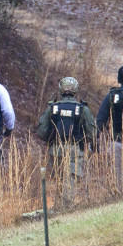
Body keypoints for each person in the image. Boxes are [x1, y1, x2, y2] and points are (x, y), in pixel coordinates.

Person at [37, 77, 96, 209]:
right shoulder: (82, 109)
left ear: (60, 90)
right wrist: (83, 141)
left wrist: (52, 140)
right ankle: (66, 208)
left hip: (55, 150)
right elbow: (92, 133)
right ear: (76, 91)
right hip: (75, 149)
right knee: (71, 179)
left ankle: (59, 207)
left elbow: (41, 132)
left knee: (59, 180)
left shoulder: (53, 108)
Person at [96, 65, 123, 195]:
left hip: (116, 142)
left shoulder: (111, 95)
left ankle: (118, 198)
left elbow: (100, 120)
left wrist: (95, 139)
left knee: (117, 173)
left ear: (119, 79)